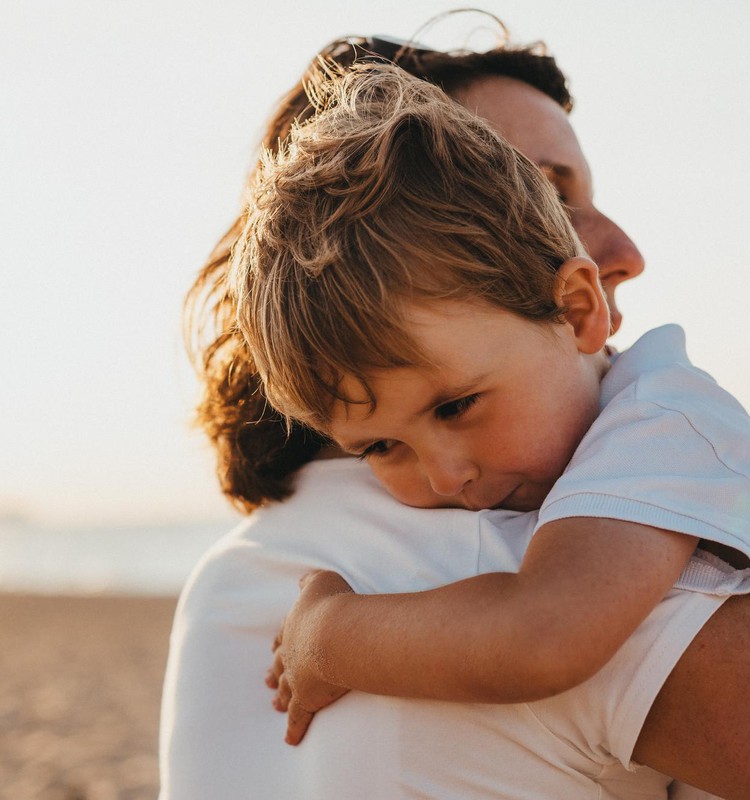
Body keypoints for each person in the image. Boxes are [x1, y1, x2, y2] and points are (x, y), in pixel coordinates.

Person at [159, 27, 750, 800]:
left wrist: (330, 634)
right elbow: (543, 631)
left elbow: (544, 629)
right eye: (544, 189)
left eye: (458, 406)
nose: (627, 250)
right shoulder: (490, 551)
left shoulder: (235, 578)